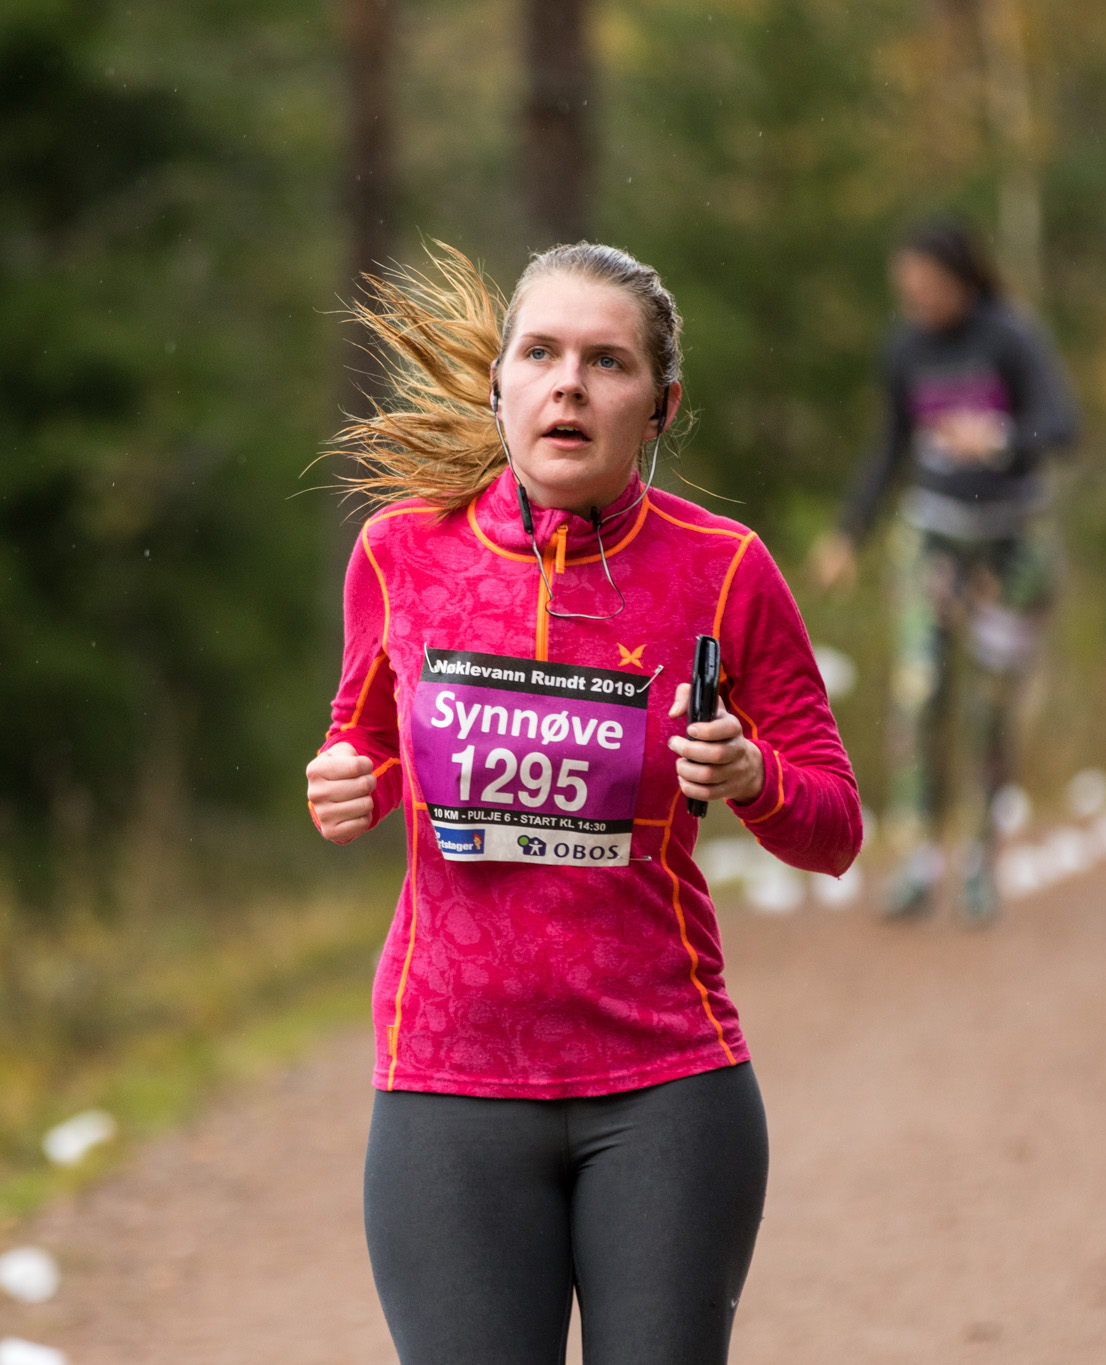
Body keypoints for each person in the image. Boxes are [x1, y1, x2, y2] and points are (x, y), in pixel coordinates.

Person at [304, 242, 860, 1365]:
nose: (568, 384)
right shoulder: (400, 554)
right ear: (498, 383)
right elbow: (362, 746)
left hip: (666, 1091)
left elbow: (836, 828)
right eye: (541, 354)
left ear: (660, 407)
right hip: (448, 1084)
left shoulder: (724, 569)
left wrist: (751, 776)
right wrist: (344, 783)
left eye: (607, 362)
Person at [808, 217, 1078, 925]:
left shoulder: (1010, 335)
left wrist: (999, 438)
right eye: (907, 289)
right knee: (920, 693)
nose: (917, 301)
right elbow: (891, 445)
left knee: (989, 706)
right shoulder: (904, 347)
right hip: (932, 539)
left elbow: (1063, 427)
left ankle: (980, 864)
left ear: (962, 278)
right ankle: (919, 862)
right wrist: (849, 532)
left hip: (1012, 548)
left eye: (928, 286)